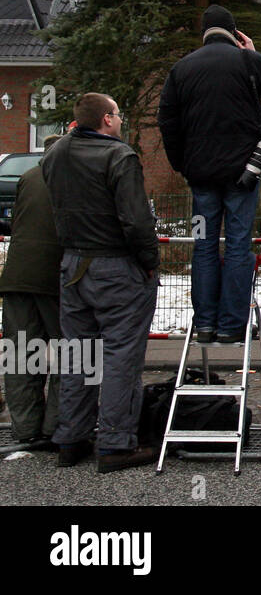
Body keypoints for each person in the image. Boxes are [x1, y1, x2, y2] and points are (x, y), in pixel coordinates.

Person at [158, 5, 261, 344]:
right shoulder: (245, 61)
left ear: (203, 33)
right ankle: (231, 325)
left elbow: (168, 123)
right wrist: (254, 54)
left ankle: (204, 324)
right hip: (242, 174)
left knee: (203, 246)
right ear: (235, 33)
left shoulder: (181, 69)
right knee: (237, 245)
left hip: (201, 176)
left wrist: (182, 164)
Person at [42, 94, 159, 472]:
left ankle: (70, 438)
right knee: (121, 357)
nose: (121, 121)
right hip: (116, 266)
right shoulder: (119, 157)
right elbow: (136, 220)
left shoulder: (56, 154)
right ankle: (115, 444)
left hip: (73, 262)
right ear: (107, 119)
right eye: (119, 114)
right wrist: (149, 262)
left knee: (78, 355)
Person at [0, 134, 65, 451]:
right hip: (55, 279)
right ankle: (56, 426)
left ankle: (25, 428)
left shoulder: (27, 176)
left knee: (20, 355)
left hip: (16, 277)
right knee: (70, 355)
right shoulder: (73, 177)